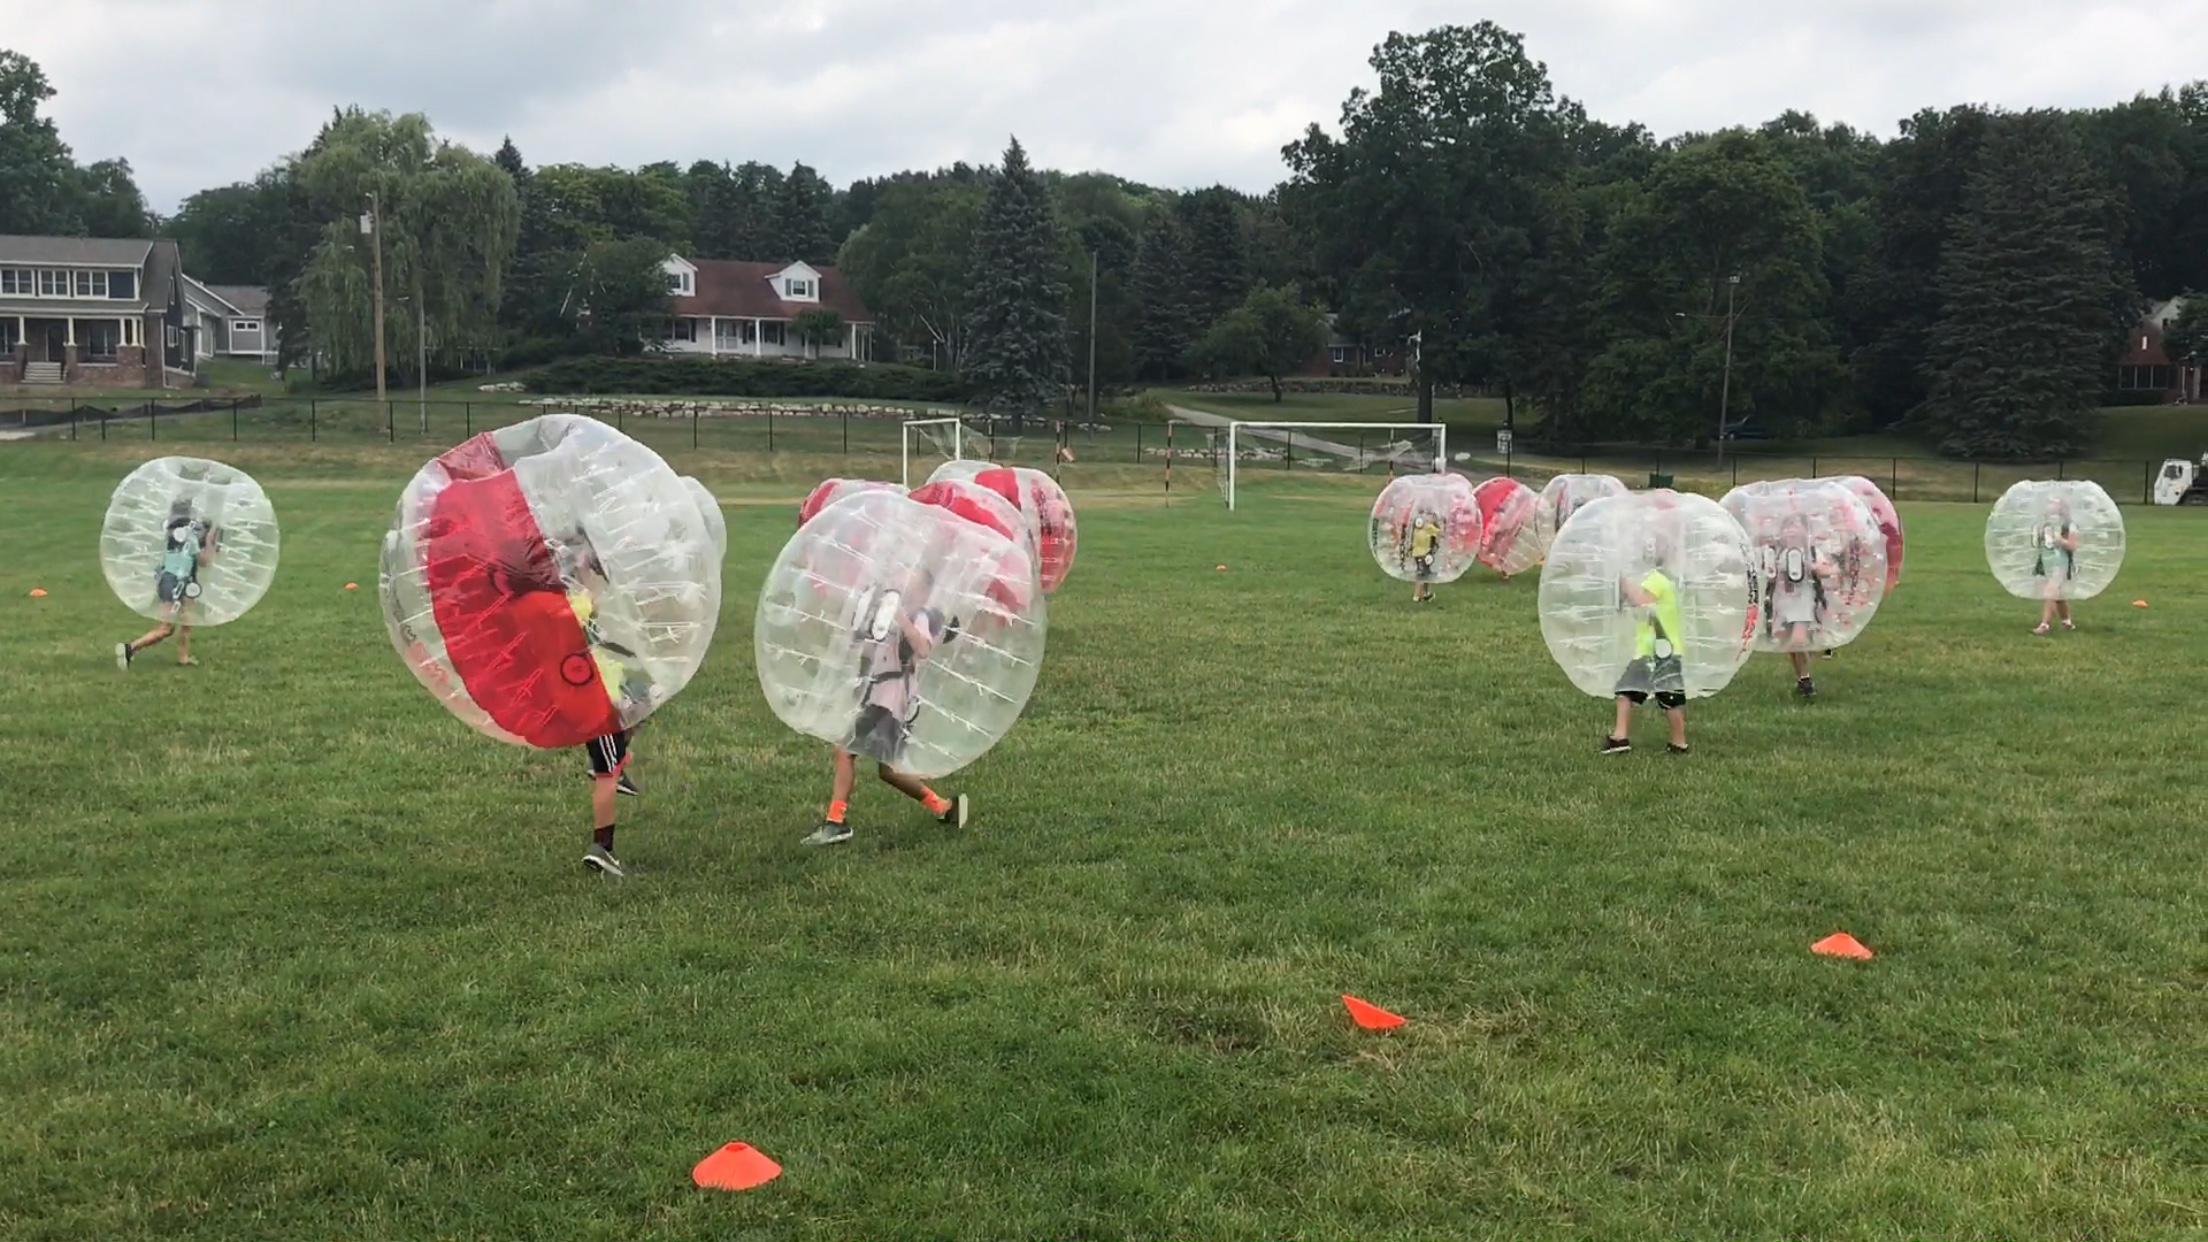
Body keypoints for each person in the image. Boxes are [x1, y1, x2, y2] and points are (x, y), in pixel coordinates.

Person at [806, 569, 970, 846]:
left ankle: (836, 822)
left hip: (892, 702)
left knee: (845, 751)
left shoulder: (921, 617)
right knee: (888, 771)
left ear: (925, 592)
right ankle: (945, 807)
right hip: (880, 697)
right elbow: (873, 652)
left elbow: (922, 648)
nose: (905, 588)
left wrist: (899, 616)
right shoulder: (890, 614)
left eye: (913, 586)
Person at [559, 532, 643, 878]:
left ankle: (616, 760)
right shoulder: (575, 602)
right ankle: (602, 848)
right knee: (605, 774)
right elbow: (590, 608)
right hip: (595, 694)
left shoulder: (563, 596)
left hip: (587, 685)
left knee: (644, 699)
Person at [1605, 537, 1690, 756]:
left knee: (1661, 697)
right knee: (1639, 692)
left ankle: (1675, 741)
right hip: (1657, 650)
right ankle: (1623, 737)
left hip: (1658, 651)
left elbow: (1642, 601)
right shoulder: (1667, 580)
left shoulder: (1657, 579)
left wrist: (1623, 580)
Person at [118, 497, 217, 669]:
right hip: (175, 582)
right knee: (166, 628)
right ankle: (130, 648)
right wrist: (210, 540)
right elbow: (204, 561)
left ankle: (183, 657)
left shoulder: (174, 536)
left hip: (180, 581)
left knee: (188, 621)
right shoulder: (188, 539)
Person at [1762, 514, 1831, 699]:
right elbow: (1769, 575)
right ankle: (1803, 679)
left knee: (1798, 640)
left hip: (1803, 602)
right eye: (1788, 527)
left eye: (1797, 526)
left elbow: (1830, 570)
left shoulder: (1812, 552)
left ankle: (1807, 666)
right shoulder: (1777, 552)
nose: (1792, 531)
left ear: (1806, 531)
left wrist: (1814, 567)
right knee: (1789, 644)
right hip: (1783, 603)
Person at [2032, 495, 2081, 635]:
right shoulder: (2045, 524)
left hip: (2061, 563)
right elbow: (2039, 544)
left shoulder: (2068, 525)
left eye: (2053, 503)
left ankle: (2044, 625)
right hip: (2047, 562)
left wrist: (2061, 541)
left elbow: (2073, 545)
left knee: (2050, 591)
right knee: (2058, 595)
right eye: (2048, 503)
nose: (2049, 505)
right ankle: (2067, 621)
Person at [1407, 510, 1444, 603]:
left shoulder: (1418, 526)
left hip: (1418, 553)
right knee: (1422, 575)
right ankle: (1416, 596)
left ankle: (1426, 594)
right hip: (1423, 554)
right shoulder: (1428, 527)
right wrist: (1439, 524)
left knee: (1427, 574)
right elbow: (1441, 533)